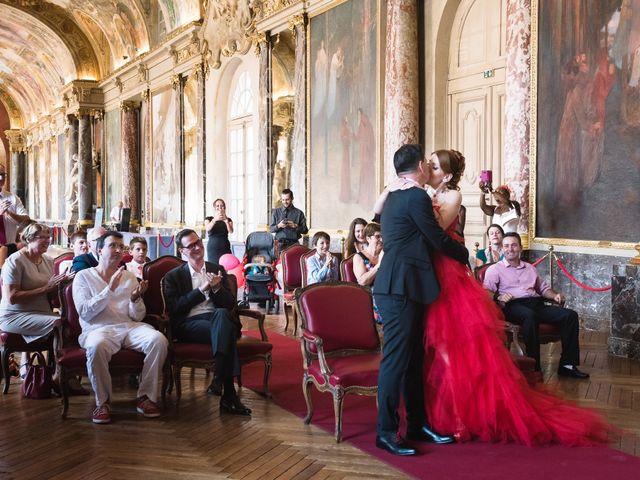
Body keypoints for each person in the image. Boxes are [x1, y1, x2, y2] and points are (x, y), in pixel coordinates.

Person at [409, 149, 607, 446]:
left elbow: (434, 229)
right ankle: (427, 413)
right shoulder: (427, 195)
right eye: (429, 165)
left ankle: (461, 415)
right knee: (434, 348)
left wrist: (422, 194)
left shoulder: (451, 197)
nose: (429, 169)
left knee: (452, 346)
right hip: (427, 271)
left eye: (434, 166)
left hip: (446, 275)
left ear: (447, 175)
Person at [372, 144, 469, 456]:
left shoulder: (396, 195)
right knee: (395, 362)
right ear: (417, 168)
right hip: (398, 287)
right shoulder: (414, 196)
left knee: (413, 361)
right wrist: (463, 253)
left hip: (405, 286)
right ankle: (386, 432)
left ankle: (417, 425)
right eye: (426, 164)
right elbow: (436, 238)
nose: (429, 167)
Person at [72, 231, 168, 424]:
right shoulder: (83, 277)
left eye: (120, 247)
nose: (118, 250)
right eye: (112, 246)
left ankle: (145, 397)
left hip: (128, 326)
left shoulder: (129, 277)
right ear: (99, 250)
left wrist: (134, 299)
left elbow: (137, 315)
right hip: (98, 329)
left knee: (158, 340)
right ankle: (103, 402)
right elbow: (85, 313)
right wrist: (109, 290)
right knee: (96, 346)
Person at [163, 229, 251, 415]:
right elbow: (175, 308)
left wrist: (218, 288)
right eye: (191, 245)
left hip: (217, 318)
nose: (197, 247)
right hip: (189, 323)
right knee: (224, 330)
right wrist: (202, 290)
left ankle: (225, 387)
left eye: (198, 242)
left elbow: (229, 304)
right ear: (182, 251)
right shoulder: (173, 276)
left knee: (221, 316)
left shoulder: (216, 269)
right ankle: (227, 393)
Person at [483, 232, 588, 377]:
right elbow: (485, 292)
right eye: (506, 246)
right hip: (512, 306)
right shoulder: (494, 269)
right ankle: (534, 367)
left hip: (535, 303)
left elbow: (543, 289)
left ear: (520, 248)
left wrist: (555, 295)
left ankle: (567, 365)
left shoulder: (530, 268)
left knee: (570, 315)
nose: (510, 249)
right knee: (529, 316)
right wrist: (498, 296)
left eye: (514, 245)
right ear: (502, 249)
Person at [0, 223, 68, 345]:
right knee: (61, 323)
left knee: (73, 321)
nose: (47, 241)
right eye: (43, 237)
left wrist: (62, 284)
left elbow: (50, 292)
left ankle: (54, 362)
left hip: (42, 312)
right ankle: (61, 363)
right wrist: (45, 288)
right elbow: (12, 297)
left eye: (48, 237)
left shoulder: (48, 260)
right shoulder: (15, 261)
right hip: (15, 316)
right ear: (29, 239)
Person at [0, 166, 30, 268]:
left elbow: (27, 220)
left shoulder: (12, 198)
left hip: (11, 248)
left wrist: (9, 214)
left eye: (3, 175)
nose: (1, 178)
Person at [352, 222, 383, 287]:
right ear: (368, 238)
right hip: (368, 293)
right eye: (377, 236)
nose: (381, 240)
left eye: (383, 236)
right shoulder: (359, 257)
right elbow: (362, 282)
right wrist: (379, 265)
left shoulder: (386, 254)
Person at [204, 198, 233, 264]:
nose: (219, 207)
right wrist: (215, 220)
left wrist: (226, 221)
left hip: (225, 246)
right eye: (217, 206)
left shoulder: (228, 220)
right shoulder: (209, 219)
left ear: (224, 207)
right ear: (214, 208)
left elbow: (231, 231)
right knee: (214, 267)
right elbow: (207, 229)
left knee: (227, 267)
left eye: (222, 205)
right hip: (213, 247)